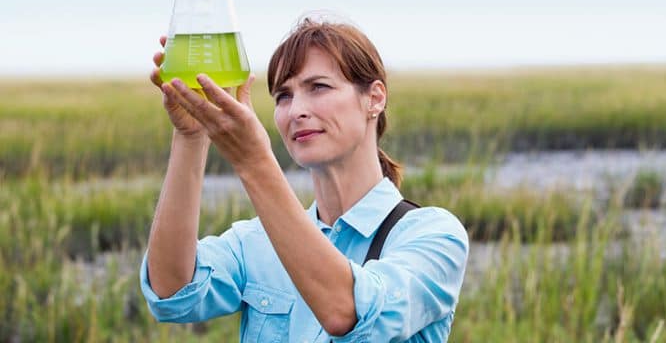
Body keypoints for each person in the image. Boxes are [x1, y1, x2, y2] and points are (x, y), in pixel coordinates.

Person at [140, 17, 470, 342]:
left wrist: (254, 162)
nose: (297, 109)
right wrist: (191, 135)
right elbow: (172, 293)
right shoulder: (256, 241)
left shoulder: (432, 236)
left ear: (375, 98)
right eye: (283, 95)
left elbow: (345, 311)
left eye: (318, 87)